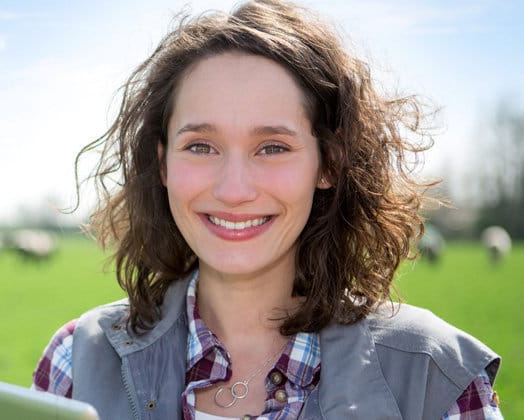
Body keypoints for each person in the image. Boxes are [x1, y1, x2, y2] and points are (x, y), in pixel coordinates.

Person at [32, 1, 502, 419]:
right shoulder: (76, 359)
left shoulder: (436, 380)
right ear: (163, 165)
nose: (234, 190)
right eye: (200, 146)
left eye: (273, 147)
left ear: (329, 163)